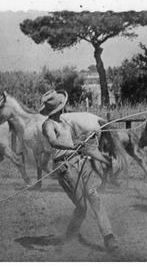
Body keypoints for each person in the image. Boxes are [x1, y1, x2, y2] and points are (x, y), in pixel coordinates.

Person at [40, 89, 118, 251]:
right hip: (65, 168)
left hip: (81, 162)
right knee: (82, 207)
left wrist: (85, 138)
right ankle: (69, 236)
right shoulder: (48, 124)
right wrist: (73, 146)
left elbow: (73, 140)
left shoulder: (64, 122)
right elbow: (53, 142)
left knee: (94, 197)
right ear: (60, 106)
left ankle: (109, 237)